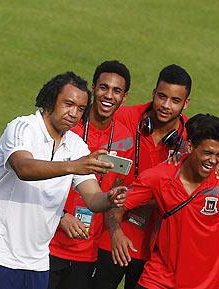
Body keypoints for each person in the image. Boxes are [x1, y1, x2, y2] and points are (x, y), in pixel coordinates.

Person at [0, 71, 127, 289]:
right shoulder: (22, 127)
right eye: (68, 104)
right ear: (51, 99)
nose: (74, 113)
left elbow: (93, 198)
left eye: (81, 109)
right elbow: (23, 167)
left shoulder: (76, 145)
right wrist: (74, 166)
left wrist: (110, 199)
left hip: (36, 265)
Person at [106, 114, 219, 289]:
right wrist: (116, 232)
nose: (214, 160)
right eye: (208, 153)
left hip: (204, 286)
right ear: (190, 146)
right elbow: (116, 205)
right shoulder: (159, 177)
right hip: (156, 281)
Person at [94, 64, 192, 289]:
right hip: (109, 236)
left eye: (175, 101)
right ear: (153, 94)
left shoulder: (191, 140)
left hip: (154, 250)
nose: (166, 106)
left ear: (186, 103)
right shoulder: (125, 117)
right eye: (161, 97)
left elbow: (211, 156)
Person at [48, 61, 133, 289]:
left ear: (124, 98)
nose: (109, 95)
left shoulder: (125, 139)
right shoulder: (68, 127)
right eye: (103, 87)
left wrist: (115, 229)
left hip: (86, 251)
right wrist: (61, 216)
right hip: (47, 242)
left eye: (116, 91)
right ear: (93, 88)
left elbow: (114, 194)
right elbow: (39, 176)